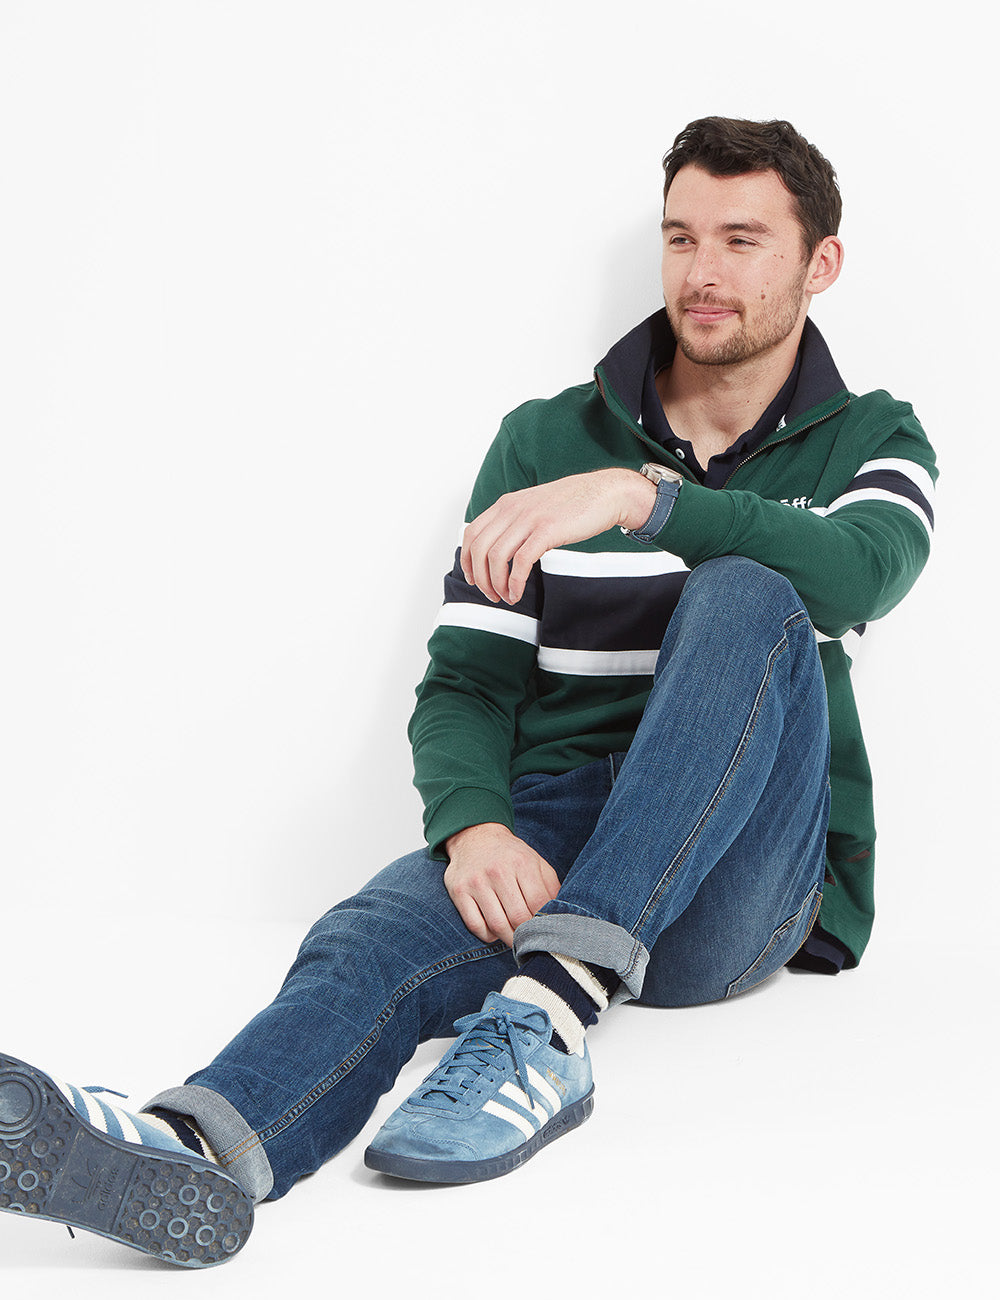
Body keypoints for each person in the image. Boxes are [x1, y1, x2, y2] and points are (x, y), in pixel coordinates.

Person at [0, 116, 937, 1266]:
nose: (702, 270)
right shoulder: (542, 441)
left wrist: (642, 499)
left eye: (742, 240)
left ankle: (553, 1004)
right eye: (680, 236)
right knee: (369, 934)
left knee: (745, 590)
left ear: (818, 262)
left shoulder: (873, 436)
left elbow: (864, 574)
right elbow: (466, 683)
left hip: (740, 875)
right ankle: (194, 1148)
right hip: (557, 828)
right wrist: (476, 827)